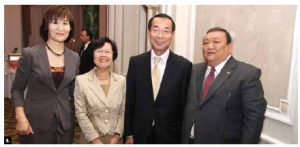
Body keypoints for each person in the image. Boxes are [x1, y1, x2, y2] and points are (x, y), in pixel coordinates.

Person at [181, 27, 267, 144]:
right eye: (205, 43)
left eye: (216, 42)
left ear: (229, 47)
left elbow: (254, 119)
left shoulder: (247, 74)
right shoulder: (193, 70)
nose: (210, 46)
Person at [11, 6, 79, 144]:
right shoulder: (30, 54)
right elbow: (17, 89)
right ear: (46, 26)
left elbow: (73, 91)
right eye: (55, 22)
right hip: (34, 123)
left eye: (65, 23)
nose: (60, 28)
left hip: (66, 124)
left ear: (70, 28)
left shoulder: (75, 57)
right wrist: (20, 117)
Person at [124, 13, 192, 144]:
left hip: (170, 136)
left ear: (172, 35)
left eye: (166, 31)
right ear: (149, 33)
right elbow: (130, 100)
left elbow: (185, 106)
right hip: (140, 134)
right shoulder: (136, 62)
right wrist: (129, 134)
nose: (160, 36)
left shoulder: (184, 66)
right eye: (155, 30)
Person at [74, 37, 125, 144]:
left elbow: (123, 112)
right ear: (93, 54)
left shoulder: (122, 81)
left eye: (107, 51)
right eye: (99, 51)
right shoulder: (81, 80)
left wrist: (117, 137)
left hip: (115, 140)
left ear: (113, 55)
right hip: (90, 140)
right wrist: (95, 140)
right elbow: (81, 113)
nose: (103, 55)